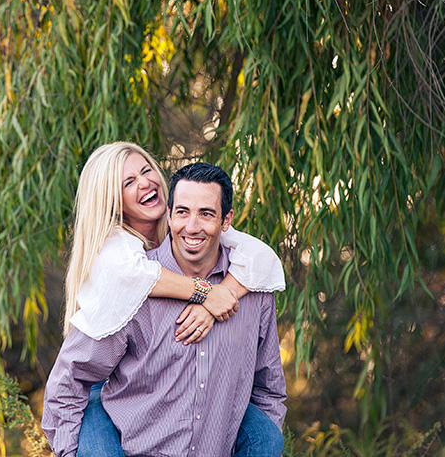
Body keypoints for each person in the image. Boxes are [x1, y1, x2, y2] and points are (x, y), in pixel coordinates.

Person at [43, 159, 287, 457]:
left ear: (226, 221)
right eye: (182, 212)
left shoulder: (253, 291)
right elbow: (70, 378)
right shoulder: (131, 285)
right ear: (169, 215)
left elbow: (268, 390)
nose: (192, 227)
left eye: (207, 214)